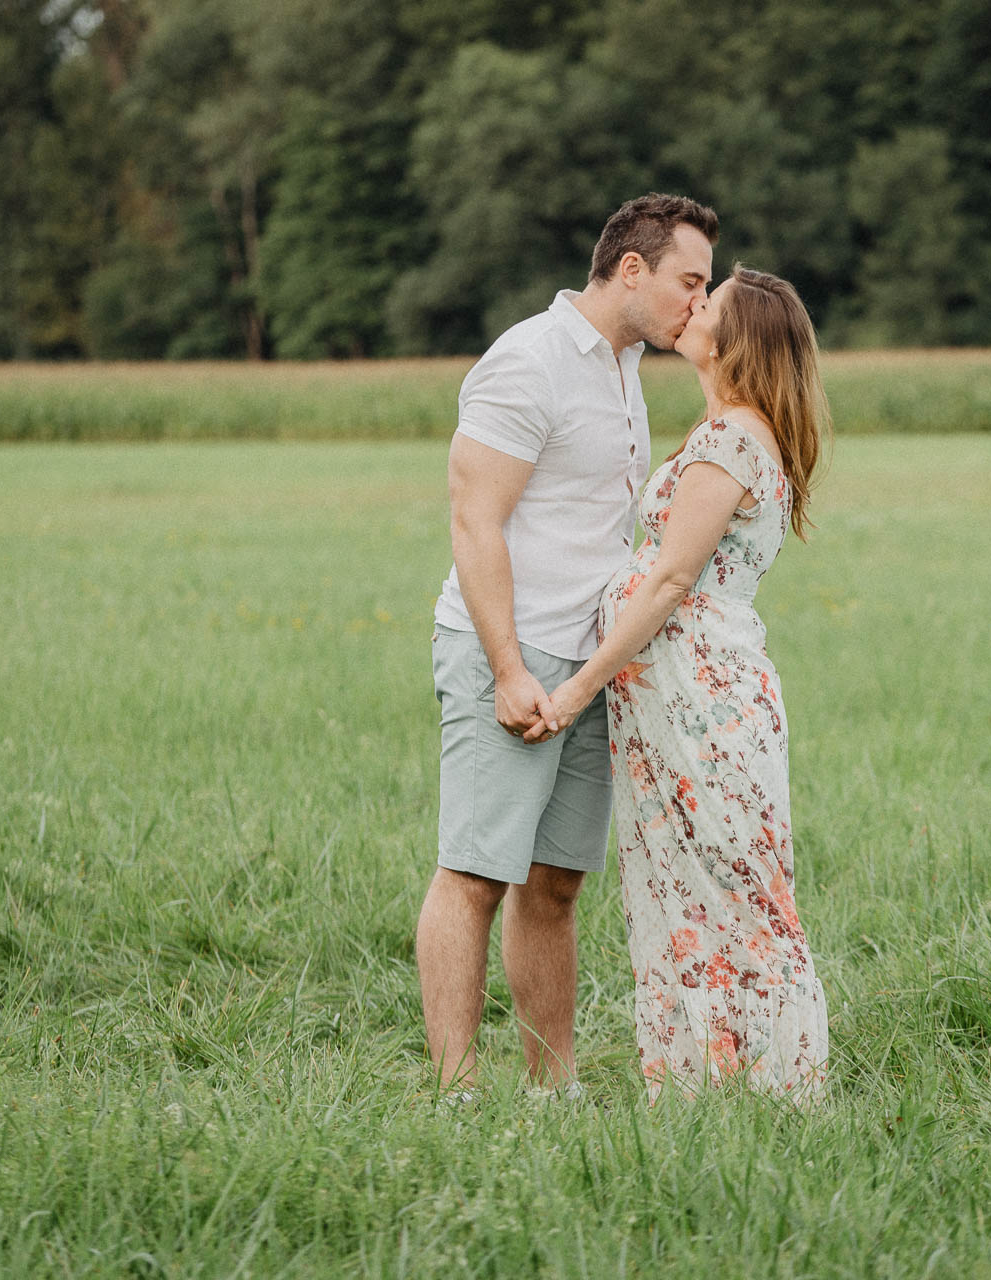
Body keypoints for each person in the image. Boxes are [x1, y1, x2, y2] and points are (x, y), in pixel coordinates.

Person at [416, 194, 719, 1099]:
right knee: (474, 873)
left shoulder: (626, 365)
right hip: (511, 649)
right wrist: (508, 670)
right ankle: (457, 1094)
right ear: (632, 268)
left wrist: (592, 675)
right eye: (688, 282)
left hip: (592, 668)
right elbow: (476, 523)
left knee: (553, 885)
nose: (697, 305)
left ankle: (557, 1088)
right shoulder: (529, 361)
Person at [533, 265, 831, 1102]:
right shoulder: (722, 430)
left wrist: (580, 685)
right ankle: (705, 1087)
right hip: (671, 701)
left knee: (731, 887)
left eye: (712, 303)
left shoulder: (735, 439)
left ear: (738, 341)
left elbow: (669, 583)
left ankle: (776, 1090)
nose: (692, 305)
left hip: (702, 701)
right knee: (680, 885)